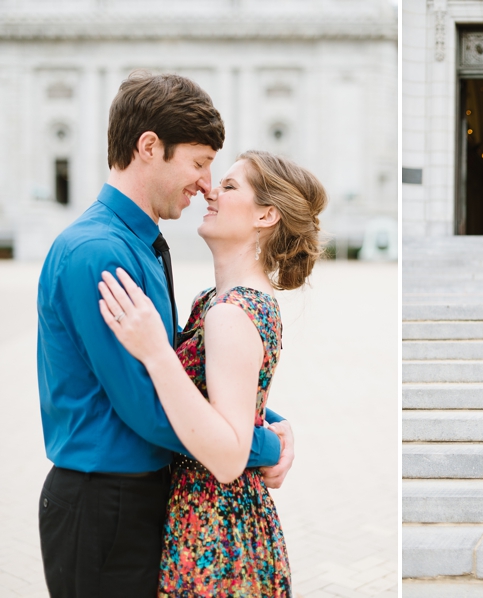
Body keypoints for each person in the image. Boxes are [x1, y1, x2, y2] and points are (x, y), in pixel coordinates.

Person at [37, 72, 295, 597]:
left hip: (140, 496)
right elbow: (147, 406)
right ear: (150, 147)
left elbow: (184, 369)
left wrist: (268, 418)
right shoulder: (100, 253)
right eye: (199, 163)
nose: (205, 183)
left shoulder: (139, 242)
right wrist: (261, 444)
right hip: (104, 502)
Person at [99, 149, 326, 595]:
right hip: (216, 519)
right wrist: (275, 425)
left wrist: (155, 353)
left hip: (217, 530)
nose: (210, 190)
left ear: (266, 215)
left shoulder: (231, 312)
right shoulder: (216, 301)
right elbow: (230, 400)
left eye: (229, 185)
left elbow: (226, 458)